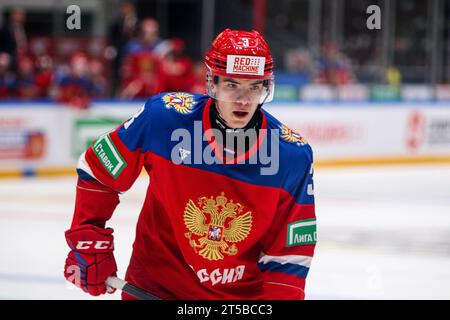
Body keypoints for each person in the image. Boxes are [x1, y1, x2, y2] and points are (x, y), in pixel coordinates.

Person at [64, 29, 316, 300]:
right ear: (213, 83)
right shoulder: (164, 119)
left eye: (254, 86)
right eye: (232, 85)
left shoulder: (291, 155)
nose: (244, 99)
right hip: (156, 287)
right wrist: (89, 242)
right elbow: (98, 170)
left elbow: (289, 255)